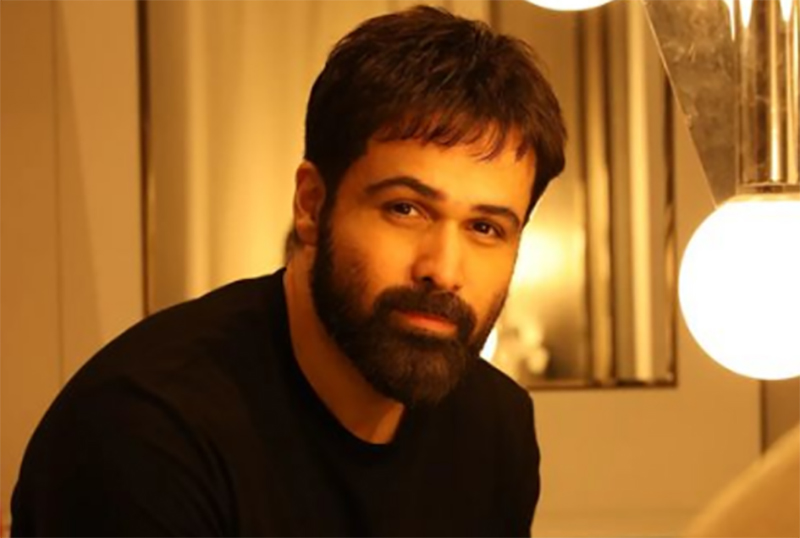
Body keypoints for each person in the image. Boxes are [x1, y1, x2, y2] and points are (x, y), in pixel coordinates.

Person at [11, 6, 566, 537]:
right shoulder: (143, 431)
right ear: (311, 204)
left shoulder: (496, 426)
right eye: (405, 209)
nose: (443, 270)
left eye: (486, 228)